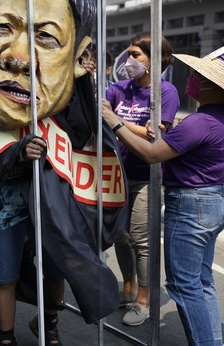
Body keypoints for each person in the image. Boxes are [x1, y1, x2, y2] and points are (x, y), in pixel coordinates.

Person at [0, 0, 128, 344]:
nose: (20, 58)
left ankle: (50, 324)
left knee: (58, 268)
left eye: (45, 36)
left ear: (78, 56)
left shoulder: (65, 107)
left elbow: (86, 132)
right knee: (4, 273)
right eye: (0, 29)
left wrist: (85, 82)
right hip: (7, 212)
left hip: (54, 212)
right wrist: (19, 155)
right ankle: (6, 336)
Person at [102, 46, 224, 346]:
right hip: (210, 201)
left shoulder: (201, 122)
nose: (192, 79)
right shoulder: (212, 119)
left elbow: (151, 154)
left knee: (184, 285)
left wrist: (113, 121)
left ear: (211, 86)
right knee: (201, 281)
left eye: (198, 75)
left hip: (191, 205)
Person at [105, 32, 180, 326]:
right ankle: (127, 287)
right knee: (120, 237)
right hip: (117, 173)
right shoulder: (119, 88)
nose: (129, 60)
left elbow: (156, 135)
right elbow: (101, 113)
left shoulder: (166, 92)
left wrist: (118, 122)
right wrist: (132, 126)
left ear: (154, 60)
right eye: (129, 54)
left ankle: (143, 300)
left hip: (146, 176)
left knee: (141, 239)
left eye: (136, 54)